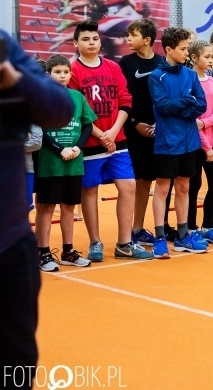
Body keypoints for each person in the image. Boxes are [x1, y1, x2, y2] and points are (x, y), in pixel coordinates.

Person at [0, 30, 74, 388]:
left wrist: (14, 80)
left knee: (17, 362)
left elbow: (60, 109)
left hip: (10, 242)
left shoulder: (2, 47)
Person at [68, 20, 153, 262]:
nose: (91, 42)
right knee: (89, 191)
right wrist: (101, 135)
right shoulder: (73, 71)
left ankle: (125, 243)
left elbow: (125, 101)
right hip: (90, 143)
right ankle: (95, 242)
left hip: (118, 140)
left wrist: (114, 131)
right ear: (76, 43)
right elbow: (78, 111)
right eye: (85, 39)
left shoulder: (113, 67)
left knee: (128, 187)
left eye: (94, 38)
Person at [148, 27, 208, 259]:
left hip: (189, 142)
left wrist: (182, 105)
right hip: (166, 142)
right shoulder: (156, 76)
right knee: (163, 189)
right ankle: (160, 238)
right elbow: (163, 106)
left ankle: (183, 236)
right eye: (183, 49)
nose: (187, 53)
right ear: (169, 49)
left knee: (184, 187)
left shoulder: (191, 75)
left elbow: (201, 105)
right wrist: (186, 101)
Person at [34, 56, 97, 272]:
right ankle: (42, 253)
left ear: (71, 74)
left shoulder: (77, 97)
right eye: (57, 72)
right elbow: (39, 131)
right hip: (50, 164)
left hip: (74, 162)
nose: (62, 75)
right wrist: (60, 149)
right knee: (46, 208)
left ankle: (68, 251)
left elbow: (88, 125)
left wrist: (78, 147)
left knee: (69, 207)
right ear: (48, 75)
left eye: (66, 72)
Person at [118, 18, 164, 247]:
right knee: (133, 181)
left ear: (147, 40)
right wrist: (135, 123)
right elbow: (122, 98)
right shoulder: (124, 63)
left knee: (147, 180)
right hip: (131, 131)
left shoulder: (162, 62)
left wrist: (158, 125)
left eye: (133, 35)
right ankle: (126, 233)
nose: (128, 39)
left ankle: (138, 229)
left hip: (157, 131)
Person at [186, 40, 213, 245]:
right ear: (194, 58)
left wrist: (204, 123)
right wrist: (206, 145)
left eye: (212, 56)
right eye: (207, 57)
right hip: (196, 145)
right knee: (193, 186)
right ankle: (191, 228)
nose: (211, 60)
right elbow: (192, 122)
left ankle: (208, 226)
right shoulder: (189, 82)